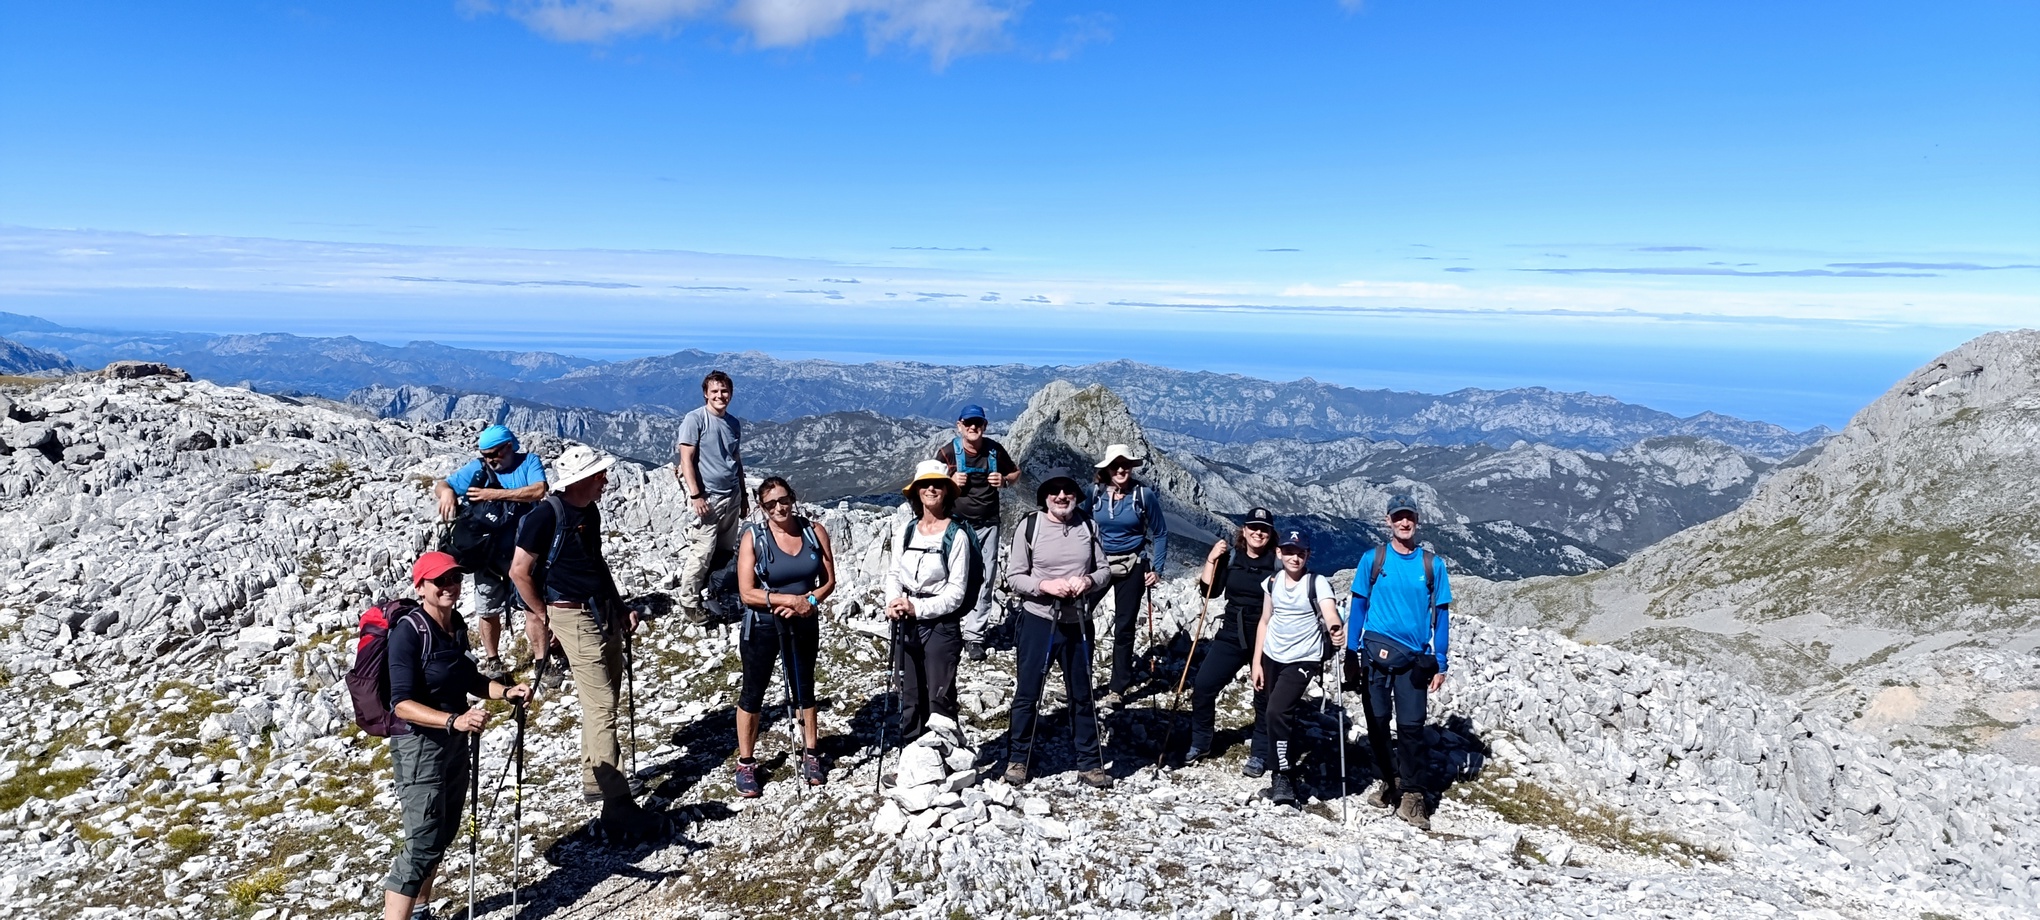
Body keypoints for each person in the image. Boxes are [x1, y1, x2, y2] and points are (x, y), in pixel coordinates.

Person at [509, 444, 662, 840]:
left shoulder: (587, 512)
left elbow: (596, 562)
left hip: (599, 610)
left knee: (605, 698)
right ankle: (617, 804)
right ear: (582, 480)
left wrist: (619, 604)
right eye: (600, 476)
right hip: (571, 614)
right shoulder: (544, 516)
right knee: (603, 705)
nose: (606, 481)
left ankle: (598, 781)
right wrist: (545, 616)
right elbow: (519, 571)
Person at [381, 551, 529, 920]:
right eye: (440, 581)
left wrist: (504, 692)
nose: (450, 586)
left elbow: (468, 678)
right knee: (421, 844)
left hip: (452, 743)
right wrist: (453, 722)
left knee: (441, 834)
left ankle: (420, 911)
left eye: (454, 578)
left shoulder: (455, 622)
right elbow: (400, 704)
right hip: (419, 747)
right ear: (421, 587)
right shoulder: (408, 633)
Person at [1002, 468, 1114, 789]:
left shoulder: (1089, 526)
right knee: (1028, 692)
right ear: (1045, 497)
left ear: (1077, 496)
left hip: (1078, 620)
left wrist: (1089, 580)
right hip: (1038, 620)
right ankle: (1018, 760)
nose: (1061, 496)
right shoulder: (1030, 526)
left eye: (1068, 490)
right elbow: (1015, 577)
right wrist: (1045, 586)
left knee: (1082, 693)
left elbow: (1105, 570)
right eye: (1054, 491)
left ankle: (1090, 764)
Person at [1346, 495, 1453, 830]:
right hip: (1373, 654)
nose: (1404, 523)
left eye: (1409, 518)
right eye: (1398, 518)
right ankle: (1390, 781)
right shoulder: (1373, 559)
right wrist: (1351, 652)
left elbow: (1442, 615)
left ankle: (1413, 795)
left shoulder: (1432, 565)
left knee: (1411, 728)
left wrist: (1441, 660)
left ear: (1417, 521)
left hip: (1414, 660)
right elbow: (1359, 606)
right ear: (1388, 520)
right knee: (1377, 724)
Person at [732, 476, 838, 796]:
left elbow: (829, 581)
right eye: (770, 504)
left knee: (805, 687)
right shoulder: (754, 537)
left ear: (792, 497)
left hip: (805, 620)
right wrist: (789, 600)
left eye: (783, 500)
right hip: (763, 624)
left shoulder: (814, 531)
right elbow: (747, 592)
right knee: (753, 691)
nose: (779, 508)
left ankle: (811, 754)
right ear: (762, 508)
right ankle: (746, 762)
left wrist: (810, 602)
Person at [432, 424, 548, 678]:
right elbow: (443, 484)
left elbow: (539, 490)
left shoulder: (529, 462)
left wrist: (494, 494)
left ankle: (542, 662)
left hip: (524, 553)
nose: (489, 459)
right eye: (484, 454)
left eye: (493, 453)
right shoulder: (478, 468)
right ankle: (493, 660)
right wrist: (447, 494)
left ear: (509, 447)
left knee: (532, 608)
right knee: (487, 610)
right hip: (487, 555)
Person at [883, 461, 975, 741]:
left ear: (947, 491)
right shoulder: (906, 531)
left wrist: (917, 608)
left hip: (941, 626)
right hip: (905, 621)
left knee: (939, 696)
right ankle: (913, 760)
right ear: (916, 493)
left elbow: (956, 593)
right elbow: (894, 573)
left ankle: (945, 761)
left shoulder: (956, 535)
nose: (931, 488)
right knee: (909, 693)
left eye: (937, 484)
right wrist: (893, 601)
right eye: (925, 484)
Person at [1250, 529, 1343, 806]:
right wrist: (1256, 662)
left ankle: (1282, 776)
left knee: (1277, 710)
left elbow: (1329, 612)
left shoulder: (1317, 583)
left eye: (1300, 552)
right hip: (1272, 655)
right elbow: (1265, 621)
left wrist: (1335, 627)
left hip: (1304, 658)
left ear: (1307, 555)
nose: (1295, 557)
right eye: (1289, 551)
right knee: (1273, 712)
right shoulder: (1272, 582)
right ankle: (1279, 767)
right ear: (1279, 553)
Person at [1185, 507, 1281, 774]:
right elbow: (1209, 592)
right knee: (1204, 685)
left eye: (1264, 529)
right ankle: (1201, 742)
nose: (1258, 532)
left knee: (1263, 696)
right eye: (1253, 527)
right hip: (1231, 633)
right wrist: (1211, 559)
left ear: (1271, 533)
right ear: (1244, 530)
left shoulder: (1277, 562)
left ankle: (1260, 754)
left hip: (1267, 636)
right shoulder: (1232, 557)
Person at [933, 404, 1018, 662]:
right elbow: (929, 487)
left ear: (985, 426)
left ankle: (974, 636)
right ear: (959, 425)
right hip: (955, 526)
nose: (973, 428)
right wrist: (949, 481)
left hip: (988, 525)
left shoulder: (994, 450)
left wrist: (1004, 482)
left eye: (978, 424)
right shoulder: (947, 454)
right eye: (968, 423)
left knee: (984, 578)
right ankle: (946, 628)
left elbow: (1016, 473)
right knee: (949, 576)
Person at [1087, 444, 1168, 708]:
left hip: (1133, 564)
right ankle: (1080, 680)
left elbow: (1161, 532)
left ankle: (1117, 688)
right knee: (1080, 616)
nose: (1121, 469)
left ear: (1132, 468)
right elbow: (1079, 523)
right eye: (1116, 465)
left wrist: (1156, 568)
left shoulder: (1144, 496)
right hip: (1098, 563)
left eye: (1126, 465)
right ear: (1107, 469)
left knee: (1125, 626)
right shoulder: (1094, 493)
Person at [674, 370, 748, 624]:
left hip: (732, 494)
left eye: (724, 391)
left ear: (731, 394)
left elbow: (736, 461)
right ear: (706, 394)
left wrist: (744, 494)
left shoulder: (733, 423)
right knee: (703, 551)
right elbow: (686, 460)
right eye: (715, 391)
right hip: (709, 498)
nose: (720, 395)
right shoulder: (695, 419)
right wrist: (696, 495)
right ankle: (689, 601)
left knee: (725, 549)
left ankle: (714, 590)